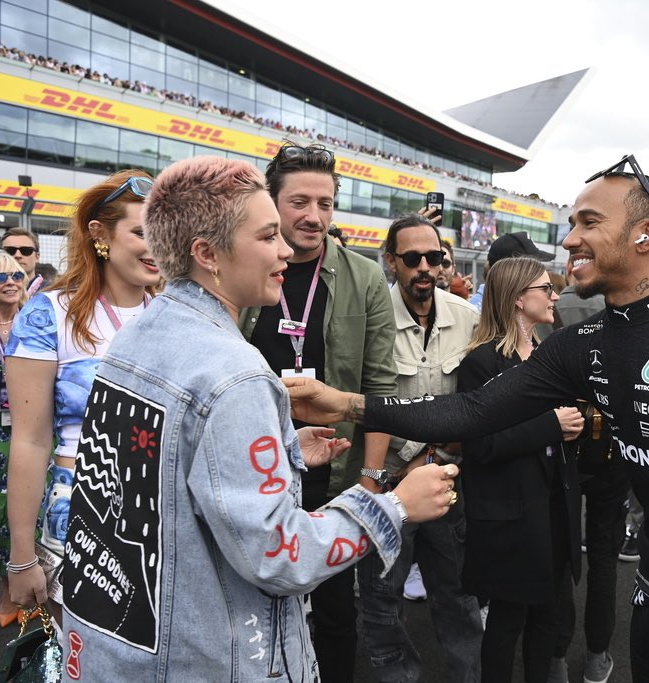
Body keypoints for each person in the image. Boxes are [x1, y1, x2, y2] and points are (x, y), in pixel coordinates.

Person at [285, 155, 649, 683]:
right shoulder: (583, 343)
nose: (569, 241)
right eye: (571, 225)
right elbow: (473, 411)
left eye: (589, 223)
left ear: (645, 234)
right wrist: (348, 404)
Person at [58, 156, 458, 680]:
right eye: (269, 236)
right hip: (207, 656)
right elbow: (280, 556)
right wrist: (394, 506)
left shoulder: (142, 330)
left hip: (120, 643)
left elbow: (167, 472)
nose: (287, 251)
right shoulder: (236, 373)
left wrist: (282, 444)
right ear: (206, 253)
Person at [239, 142, 398, 682]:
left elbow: (380, 386)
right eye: (300, 202)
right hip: (253, 467)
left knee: (334, 612)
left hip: (336, 468)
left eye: (326, 203)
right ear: (272, 203)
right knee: (249, 608)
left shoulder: (366, 277)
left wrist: (373, 483)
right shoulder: (243, 269)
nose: (314, 216)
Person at [5, 170, 161, 616]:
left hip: (165, 513)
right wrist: (22, 556)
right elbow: (30, 440)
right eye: (140, 232)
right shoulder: (48, 315)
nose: (155, 245)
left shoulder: (179, 315)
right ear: (100, 234)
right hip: (80, 511)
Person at [358, 214, 483, 682]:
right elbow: (368, 398)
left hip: (448, 484)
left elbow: (477, 402)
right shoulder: (374, 318)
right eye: (413, 259)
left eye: (435, 258)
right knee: (382, 604)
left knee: (459, 601)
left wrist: (429, 455)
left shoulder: (467, 319)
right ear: (392, 262)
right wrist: (407, 457)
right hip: (387, 486)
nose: (425, 267)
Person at [457, 257, 581, 683]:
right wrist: (552, 426)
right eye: (546, 289)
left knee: (548, 617)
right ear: (516, 299)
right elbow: (482, 445)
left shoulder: (550, 354)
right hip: (511, 514)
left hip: (554, 509)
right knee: (508, 621)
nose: (555, 296)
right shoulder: (482, 363)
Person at [549, 264, 625, 683]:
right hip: (611, 445)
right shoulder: (619, 307)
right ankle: (596, 652)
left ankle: (557, 653)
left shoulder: (557, 304)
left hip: (564, 437)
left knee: (562, 554)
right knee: (603, 557)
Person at [0, 251, 28, 627]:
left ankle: (18, 589)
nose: (11, 281)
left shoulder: (35, 322)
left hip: (32, 428)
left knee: (31, 506)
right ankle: (7, 582)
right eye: (0, 277)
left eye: (17, 274)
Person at [467, 231, 554, 310]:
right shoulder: (477, 312)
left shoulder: (512, 307)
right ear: (509, 274)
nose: (539, 275)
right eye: (531, 270)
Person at [0, 227, 46, 297]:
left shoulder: (52, 292)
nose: (17, 255)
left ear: (37, 256)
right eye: (9, 251)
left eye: (26, 250)